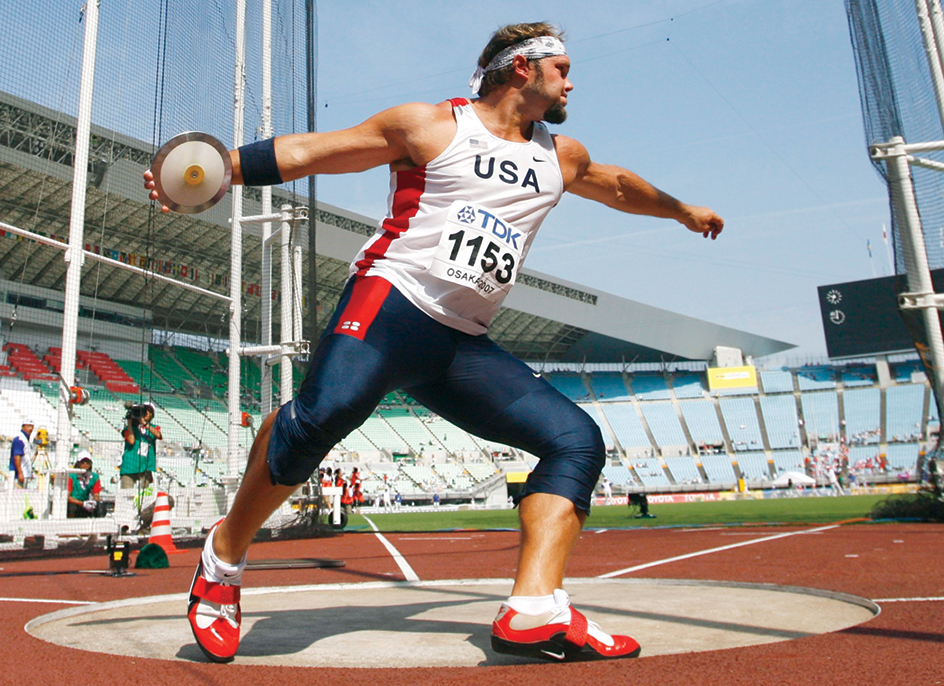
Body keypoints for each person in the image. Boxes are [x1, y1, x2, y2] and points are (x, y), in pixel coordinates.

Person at [151, 22, 722, 664]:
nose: (572, 79)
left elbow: (616, 185)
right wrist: (209, 171)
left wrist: (680, 210)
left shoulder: (560, 158)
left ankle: (535, 609)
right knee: (321, 417)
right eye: (560, 66)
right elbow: (317, 150)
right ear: (521, 71)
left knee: (574, 439)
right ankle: (223, 560)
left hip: (461, 344)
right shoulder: (431, 127)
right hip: (392, 300)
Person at [119, 404, 162, 489]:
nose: (147, 414)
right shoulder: (129, 428)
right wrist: (130, 423)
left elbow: (158, 435)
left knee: (145, 494)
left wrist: (144, 424)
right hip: (129, 465)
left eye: (150, 412)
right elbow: (131, 441)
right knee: (126, 494)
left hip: (146, 465)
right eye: (145, 412)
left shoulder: (153, 427)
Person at [67, 453, 104, 518]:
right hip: (73, 502)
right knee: (72, 508)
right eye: (82, 462)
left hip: (85, 502)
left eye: (87, 462)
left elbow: (96, 494)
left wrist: (94, 502)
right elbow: (67, 497)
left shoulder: (94, 477)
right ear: (78, 463)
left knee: (100, 508)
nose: (85, 464)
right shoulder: (71, 476)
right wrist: (83, 504)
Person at [8, 419, 34, 488]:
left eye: (32, 427)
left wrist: (30, 472)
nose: (30, 429)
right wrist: (20, 473)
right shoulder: (19, 439)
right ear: (23, 426)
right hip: (18, 475)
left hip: (25, 473)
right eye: (28, 426)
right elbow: (17, 457)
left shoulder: (26, 439)